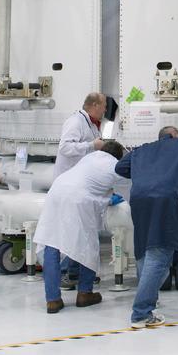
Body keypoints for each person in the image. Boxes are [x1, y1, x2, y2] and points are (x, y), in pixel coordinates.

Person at [115, 125, 178, 328]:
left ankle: (151, 298)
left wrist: (143, 174)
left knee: (143, 250)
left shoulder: (141, 150)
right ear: (174, 136)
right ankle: (141, 313)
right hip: (164, 199)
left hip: (138, 199)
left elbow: (120, 168)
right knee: (160, 255)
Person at [33, 141, 126, 313]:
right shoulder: (114, 165)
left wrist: (105, 196)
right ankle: (85, 293)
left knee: (52, 242)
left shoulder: (89, 157)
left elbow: (91, 180)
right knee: (88, 244)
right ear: (118, 157)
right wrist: (109, 199)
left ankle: (52, 300)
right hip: (77, 200)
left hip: (57, 192)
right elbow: (128, 183)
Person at [52, 92, 108, 286]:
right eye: (104, 106)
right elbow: (65, 148)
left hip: (81, 184)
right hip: (69, 185)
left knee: (80, 230)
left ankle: (78, 271)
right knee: (72, 231)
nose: (105, 110)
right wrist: (92, 145)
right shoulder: (75, 122)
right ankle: (67, 272)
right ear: (94, 105)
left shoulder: (91, 124)